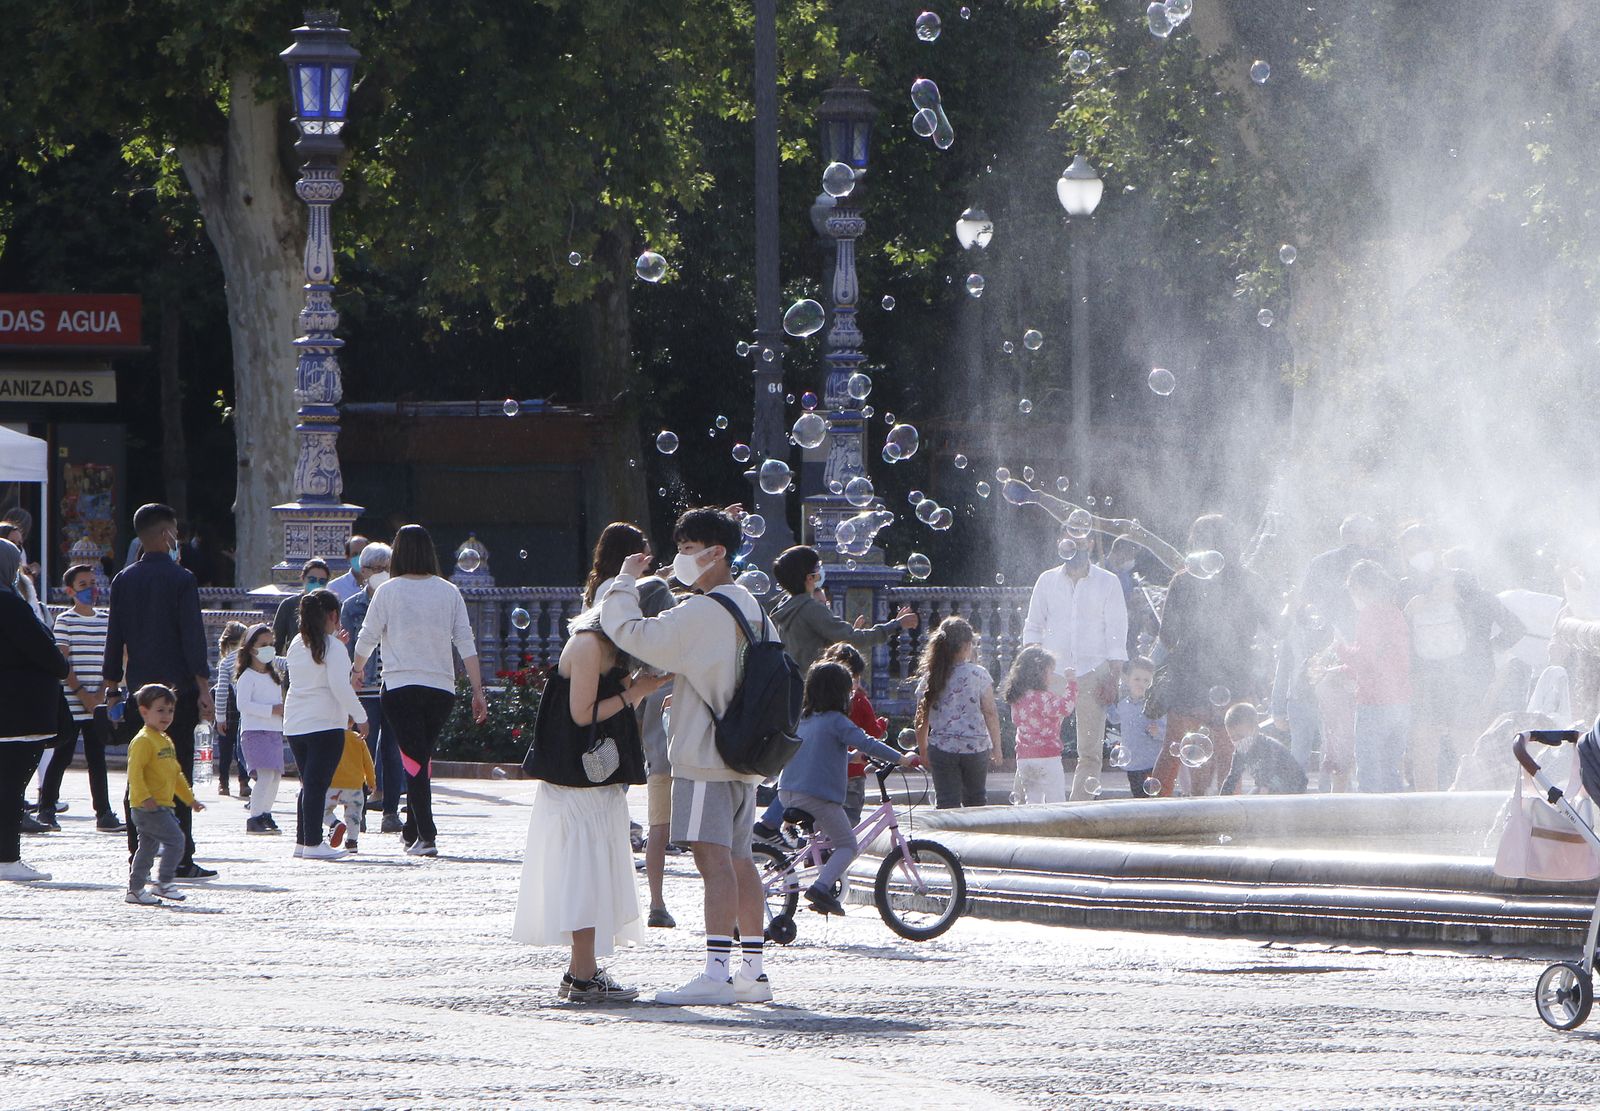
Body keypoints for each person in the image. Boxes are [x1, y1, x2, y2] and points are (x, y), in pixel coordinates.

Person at [601, 507, 778, 1007]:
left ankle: (716, 972)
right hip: (747, 755)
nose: (679, 560)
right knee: (741, 860)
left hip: (705, 757)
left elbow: (632, 634)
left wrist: (624, 581)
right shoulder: (753, 607)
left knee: (711, 860)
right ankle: (753, 973)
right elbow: (739, 676)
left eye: (685, 549)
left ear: (716, 553)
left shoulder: (699, 612)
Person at [514, 591, 662, 1004]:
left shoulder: (607, 646)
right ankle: (582, 975)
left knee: (593, 871)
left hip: (594, 782)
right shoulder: (587, 644)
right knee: (585, 870)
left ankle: (584, 970)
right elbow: (582, 713)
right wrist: (636, 692)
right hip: (576, 782)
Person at [352, 524, 488, 856]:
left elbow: (367, 636)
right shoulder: (448, 591)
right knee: (419, 756)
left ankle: (426, 834)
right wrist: (477, 690)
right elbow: (465, 643)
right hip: (441, 689)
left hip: (399, 685)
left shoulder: (387, 590)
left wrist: (356, 670)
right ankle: (412, 828)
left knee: (413, 758)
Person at [101, 502, 217, 881]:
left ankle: (138, 852)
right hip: (175, 694)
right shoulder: (182, 579)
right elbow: (192, 639)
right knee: (173, 769)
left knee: (140, 770)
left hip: (138, 692)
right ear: (167, 534)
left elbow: (114, 637)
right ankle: (180, 856)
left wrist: (112, 687)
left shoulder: (123, 580)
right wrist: (204, 688)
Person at [777, 660, 917, 916]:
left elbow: (819, 752)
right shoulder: (837, 721)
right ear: (840, 693)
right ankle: (820, 888)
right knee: (847, 845)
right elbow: (869, 742)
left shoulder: (805, 718)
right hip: (815, 796)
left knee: (824, 840)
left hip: (787, 791)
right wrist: (902, 758)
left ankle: (818, 875)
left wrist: (852, 757)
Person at [1150, 514, 1274, 797]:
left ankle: (1154, 816)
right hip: (1235, 678)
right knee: (1229, 755)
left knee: (1174, 750)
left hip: (1189, 678)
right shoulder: (1249, 581)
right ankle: (1231, 819)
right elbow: (1274, 626)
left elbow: (1167, 636)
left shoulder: (1183, 581)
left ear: (1197, 543)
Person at [1398, 524, 1525, 790]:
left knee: (1466, 745)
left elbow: (1513, 627)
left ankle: (1476, 808)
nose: (1418, 556)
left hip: (1465, 679)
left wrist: (1483, 651)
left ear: (1437, 547)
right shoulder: (1406, 589)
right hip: (1426, 679)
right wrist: (1407, 614)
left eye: (1422, 548)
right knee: (1424, 746)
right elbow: (1396, 637)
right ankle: (1427, 811)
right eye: (1411, 552)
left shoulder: (1465, 585)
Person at [1021, 530, 1129, 801]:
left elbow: (1117, 631)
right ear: (1059, 543)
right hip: (1051, 673)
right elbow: (1033, 627)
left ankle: (1078, 812)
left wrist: (1113, 676)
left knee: (1090, 752)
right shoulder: (1046, 580)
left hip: (1095, 671)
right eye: (1069, 539)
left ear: (1091, 543)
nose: (1076, 545)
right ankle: (1030, 809)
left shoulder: (1108, 582)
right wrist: (1031, 675)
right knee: (1034, 743)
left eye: (1081, 539)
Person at [0, 538, 66, 881]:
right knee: (11, 786)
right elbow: (48, 655)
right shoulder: (10, 605)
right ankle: (7, 858)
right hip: (17, 711)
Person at [284, 590, 367, 860]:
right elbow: (340, 686)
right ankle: (313, 843)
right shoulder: (333, 648)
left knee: (308, 784)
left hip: (296, 722)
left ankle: (302, 841)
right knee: (317, 785)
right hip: (325, 723)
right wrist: (361, 717)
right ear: (333, 616)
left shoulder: (297, 642)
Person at [40, 563, 121, 832]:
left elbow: (116, 658)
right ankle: (47, 808)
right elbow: (63, 661)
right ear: (70, 590)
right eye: (83, 585)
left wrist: (101, 694)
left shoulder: (106, 620)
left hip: (96, 702)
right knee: (62, 756)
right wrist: (82, 694)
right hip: (71, 702)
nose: (90, 589)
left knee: (97, 758)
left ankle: (104, 813)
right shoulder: (65, 620)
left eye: (92, 583)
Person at [770, 545, 918, 674]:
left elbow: (810, 646)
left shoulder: (786, 607)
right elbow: (855, 639)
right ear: (810, 577)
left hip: (795, 688)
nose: (820, 570)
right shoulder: (811, 608)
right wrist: (896, 625)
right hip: (815, 690)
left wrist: (844, 638)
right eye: (818, 566)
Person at [341, 541, 403, 834]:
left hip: (392, 684)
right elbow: (347, 647)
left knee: (392, 750)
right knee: (360, 748)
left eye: (384, 568)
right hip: (364, 689)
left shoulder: (400, 601)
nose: (379, 573)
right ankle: (359, 808)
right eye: (374, 569)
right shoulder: (351, 606)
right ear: (363, 571)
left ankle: (390, 810)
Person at [124, 683, 207, 904]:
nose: (166, 716)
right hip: (148, 806)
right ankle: (164, 883)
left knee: (147, 848)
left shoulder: (164, 739)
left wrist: (190, 800)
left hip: (162, 804)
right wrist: (143, 797)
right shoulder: (143, 740)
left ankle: (135, 889)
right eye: (160, 710)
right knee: (176, 840)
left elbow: (176, 774)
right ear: (144, 711)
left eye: (170, 711)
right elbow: (135, 773)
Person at [1336, 559, 1412, 792]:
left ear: (1358, 587)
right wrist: (1346, 670)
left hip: (1374, 700)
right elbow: (1388, 658)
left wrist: (1340, 649)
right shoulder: (1394, 611)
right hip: (1401, 699)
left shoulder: (1370, 613)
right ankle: (1399, 817)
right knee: (1390, 767)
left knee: (1369, 766)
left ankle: (1371, 819)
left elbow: (1366, 658)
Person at [914, 616, 1003, 809]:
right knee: (976, 801)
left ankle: (948, 838)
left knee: (946, 803)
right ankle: (975, 838)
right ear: (966, 645)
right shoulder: (978, 674)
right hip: (976, 747)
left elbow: (921, 718)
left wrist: (923, 749)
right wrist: (997, 747)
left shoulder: (930, 677)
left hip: (942, 748)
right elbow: (990, 713)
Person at [999, 645, 1075, 805]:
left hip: (1024, 758)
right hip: (1047, 757)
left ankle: (1033, 828)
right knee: (1056, 802)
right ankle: (1055, 829)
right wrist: (1072, 684)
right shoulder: (1044, 698)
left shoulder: (1016, 698)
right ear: (1039, 673)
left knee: (1032, 802)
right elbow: (1066, 707)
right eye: (1050, 671)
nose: (1052, 676)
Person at [234, 624, 287, 835]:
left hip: (273, 731)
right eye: (263, 645)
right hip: (255, 732)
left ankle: (266, 812)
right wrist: (271, 710)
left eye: (271, 644)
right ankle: (254, 817)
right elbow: (243, 705)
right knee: (265, 776)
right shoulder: (247, 676)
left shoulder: (273, 675)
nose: (269, 649)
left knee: (275, 776)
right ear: (250, 648)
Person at [1220, 703, 1307, 796]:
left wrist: (1260, 805)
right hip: (1269, 784)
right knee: (1249, 798)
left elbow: (1267, 779)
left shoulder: (1267, 747)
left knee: (1257, 795)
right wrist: (1220, 801)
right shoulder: (1240, 752)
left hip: (1293, 785)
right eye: (1233, 738)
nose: (1238, 741)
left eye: (1241, 736)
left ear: (1255, 729)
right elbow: (1232, 778)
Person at [1108, 658, 1165, 797]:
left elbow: (1166, 733)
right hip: (1132, 763)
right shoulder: (1123, 704)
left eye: (1146, 681)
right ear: (1128, 680)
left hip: (1151, 762)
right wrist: (1107, 703)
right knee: (1138, 796)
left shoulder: (1154, 706)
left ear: (1152, 683)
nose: (1141, 684)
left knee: (1152, 798)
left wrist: (1158, 732)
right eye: (1137, 679)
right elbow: (1114, 718)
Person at [210, 620, 250, 798]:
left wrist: (219, 718)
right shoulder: (247, 659)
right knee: (242, 748)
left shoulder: (225, 662)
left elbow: (220, 692)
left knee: (225, 748)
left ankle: (223, 782)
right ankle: (243, 782)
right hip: (241, 709)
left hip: (227, 710)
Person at [324, 728, 376, 853]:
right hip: (355, 786)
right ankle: (352, 842)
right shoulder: (358, 738)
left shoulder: (328, 736)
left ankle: (334, 823)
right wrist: (371, 781)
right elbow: (368, 762)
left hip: (333, 784)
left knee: (323, 810)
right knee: (354, 815)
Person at [273, 559, 330, 656]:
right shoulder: (288, 605)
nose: (316, 583)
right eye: (312, 580)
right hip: (295, 663)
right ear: (303, 578)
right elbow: (276, 642)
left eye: (322, 581)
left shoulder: (331, 607)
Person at [325, 535, 370, 603]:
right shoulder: (334, 587)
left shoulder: (377, 583)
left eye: (362, 553)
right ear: (348, 557)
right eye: (355, 554)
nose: (359, 557)